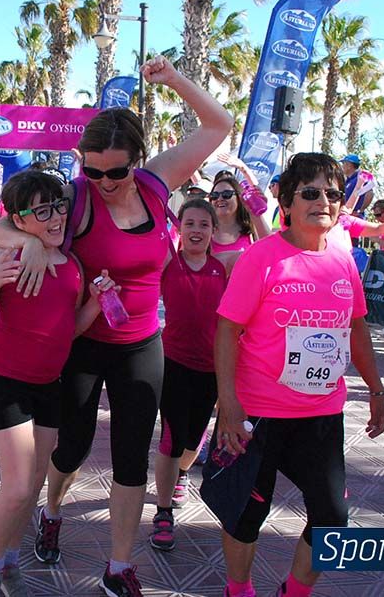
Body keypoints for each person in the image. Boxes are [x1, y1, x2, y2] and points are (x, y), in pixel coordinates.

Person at [0, 55, 232, 596]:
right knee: (68, 451)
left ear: (136, 162)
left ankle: (120, 565)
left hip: (141, 343)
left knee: (130, 455)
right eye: (92, 169)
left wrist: (173, 81)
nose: (102, 181)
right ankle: (51, 510)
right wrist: (27, 240)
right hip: (80, 342)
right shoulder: (73, 196)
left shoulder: (156, 182)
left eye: (115, 171)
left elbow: (219, 124)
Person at [210, 152, 384, 597]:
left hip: (321, 413)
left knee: (332, 518)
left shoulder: (345, 261)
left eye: (332, 193)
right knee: (246, 513)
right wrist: (229, 405)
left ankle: (294, 591)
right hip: (259, 413)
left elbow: (357, 328)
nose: (323, 201)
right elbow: (227, 330)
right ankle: (239, 589)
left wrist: (376, 389)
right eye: (310, 192)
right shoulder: (261, 258)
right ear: (286, 202)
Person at [0, 171, 110, 597]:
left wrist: (96, 305)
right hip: (5, 381)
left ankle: (7, 562)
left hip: (49, 384)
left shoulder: (73, 264)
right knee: (20, 484)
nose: (56, 216)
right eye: (41, 211)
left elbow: (67, 330)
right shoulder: (8, 259)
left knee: (35, 482)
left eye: (59, 205)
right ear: (19, 221)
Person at [149, 199, 228, 554]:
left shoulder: (225, 266)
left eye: (204, 225)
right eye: (190, 224)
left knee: (193, 441)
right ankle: (163, 512)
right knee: (171, 435)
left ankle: (181, 472)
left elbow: (265, 242)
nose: (196, 230)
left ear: (214, 231)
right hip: (173, 362)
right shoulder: (170, 261)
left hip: (212, 367)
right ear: (179, 228)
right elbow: (148, 226)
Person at [208, 174, 268, 255]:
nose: (220, 199)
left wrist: (255, 213)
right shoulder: (204, 232)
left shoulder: (252, 232)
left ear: (239, 198)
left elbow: (272, 249)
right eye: (214, 195)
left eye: (226, 194)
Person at [340, 153, 373, 218]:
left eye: (343, 164)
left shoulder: (360, 177)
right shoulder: (347, 181)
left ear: (349, 165)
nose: (342, 166)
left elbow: (370, 193)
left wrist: (360, 210)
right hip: (347, 216)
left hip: (356, 218)